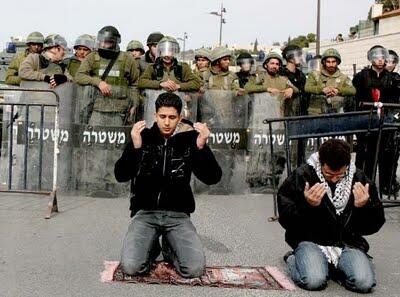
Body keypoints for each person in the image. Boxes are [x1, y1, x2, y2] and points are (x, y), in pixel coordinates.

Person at [114, 92, 222, 278]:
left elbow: (212, 177)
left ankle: (170, 249)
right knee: (131, 267)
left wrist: (201, 147)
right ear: (155, 115)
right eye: (162, 116)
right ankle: (152, 246)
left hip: (178, 215)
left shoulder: (190, 139)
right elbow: (121, 175)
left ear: (180, 118)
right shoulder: (143, 136)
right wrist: (136, 147)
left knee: (194, 269)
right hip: (145, 213)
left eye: (172, 117)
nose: (166, 122)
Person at [278, 139, 385, 293]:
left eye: (340, 175)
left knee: (364, 283)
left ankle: (335, 268)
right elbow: (285, 219)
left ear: (347, 166)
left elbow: (374, 224)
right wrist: (307, 205)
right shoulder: (303, 176)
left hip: (347, 243)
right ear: (321, 163)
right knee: (314, 281)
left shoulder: (359, 178)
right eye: (328, 174)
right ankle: (294, 260)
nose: (334, 178)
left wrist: (365, 206)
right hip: (311, 241)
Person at [353, 45, 400, 196]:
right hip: (366, 120)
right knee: (365, 153)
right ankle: (362, 184)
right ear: (371, 59)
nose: (380, 61)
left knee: (386, 153)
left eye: (382, 58)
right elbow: (356, 96)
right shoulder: (362, 76)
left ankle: (386, 185)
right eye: (376, 58)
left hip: (385, 120)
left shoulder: (392, 78)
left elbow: (395, 97)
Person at [245, 51, 299, 116]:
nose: (274, 66)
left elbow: (297, 90)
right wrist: (267, 89)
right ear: (266, 65)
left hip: (279, 117)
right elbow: (247, 87)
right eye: (272, 63)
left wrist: (291, 89)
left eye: (277, 64)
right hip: (263, 116)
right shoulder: (259, 78)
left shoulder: (283, 79)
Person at [305, 48, 356, 114]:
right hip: (316, 114)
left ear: (337, 62)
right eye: (328, 62)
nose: (331, 64)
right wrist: (321, 90)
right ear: (324, 62)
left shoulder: (343, 77)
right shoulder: (314, 75)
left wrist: (338, 91)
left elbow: (353, 90)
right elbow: (307, 88)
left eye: (333, 62)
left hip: (336, 113)